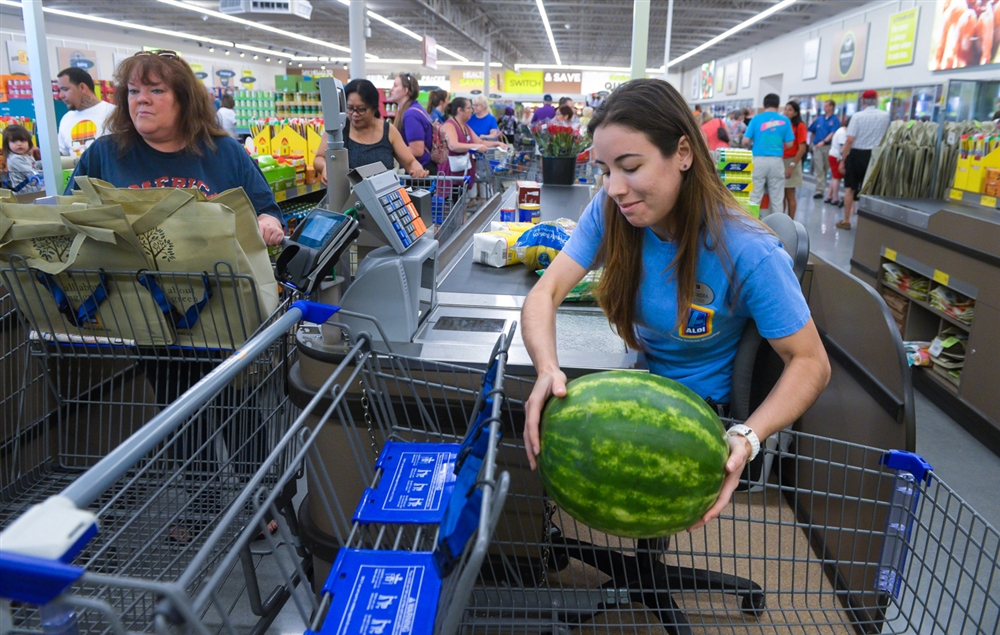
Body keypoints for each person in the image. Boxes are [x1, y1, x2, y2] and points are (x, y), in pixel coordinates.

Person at [520, 79, 830, 531]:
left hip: (699, 415)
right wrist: (547, 368)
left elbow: (810, 362)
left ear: (683, 153)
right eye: (606, 170)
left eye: (630, 166)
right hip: (640, 371)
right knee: (528, 417)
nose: (614, 188)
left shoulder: (745, 249)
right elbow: (543, 295)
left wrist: (748, 435)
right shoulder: (612, 213)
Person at [65, 50, 284, 247]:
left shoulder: (225, 151)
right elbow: (67, 218)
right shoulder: (103, 154)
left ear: (185, 100)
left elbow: (267, 211)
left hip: (216, 282)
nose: (142, 99)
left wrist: (267, 224)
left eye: (157, 90)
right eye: (133, 91)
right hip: (128, 289)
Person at [313, 79, 429, 184]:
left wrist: (418, 170)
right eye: (349, 108)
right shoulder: (338, 129)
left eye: (361, 109)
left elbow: (410, 162)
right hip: (346, 201)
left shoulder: (388, 131)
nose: (354, 114)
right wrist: (325, 167)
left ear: (373, 107)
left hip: (382, 200)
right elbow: (319, 158)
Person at [838, 89, 890, 230]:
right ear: (876, 101)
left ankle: (847, 220)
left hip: (856, 154)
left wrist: (842, 160)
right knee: (869, 190)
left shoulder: (857, 116)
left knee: (850, 189)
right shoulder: (885, 116)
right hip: (875, 156)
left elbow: (850, 140)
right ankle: (866, 223)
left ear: (863, 101)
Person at [440, 97, 505, 202]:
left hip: (462, 174)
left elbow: (480, 142)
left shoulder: (465, 127)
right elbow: (453, 145)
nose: (472, 110)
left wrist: (497, 144)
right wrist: (475, 147)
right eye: (469, 108)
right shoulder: (449, 125)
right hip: (451, 175)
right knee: (453, 209)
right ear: (460, 110)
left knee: (462, 207)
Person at [743, 94, 793, 218]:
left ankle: (751, 225)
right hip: (776, 161)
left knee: (755, 196)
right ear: (778, 105)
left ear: (764, 105)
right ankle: (778, 229)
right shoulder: (785, 120)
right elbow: (790, 144)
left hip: (759, 160)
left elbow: (745, 141)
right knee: (777, 198)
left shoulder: (756, 119)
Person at [56, 66, 115, 157]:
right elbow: (63, 154)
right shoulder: (66, 119)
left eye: (65, 89)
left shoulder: (114, 113)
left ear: (82, 87)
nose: (61, 95)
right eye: (59, 90)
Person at [389, 73, 435, 174]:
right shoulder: (415, 109)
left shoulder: (411, 115)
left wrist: (391, 151)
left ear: (405, 91)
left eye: (395, 85)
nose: (391, 89)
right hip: (421, 169)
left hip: (421, 172)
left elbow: (417, 150)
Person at [808, 100, 839, 200]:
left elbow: (832, 133)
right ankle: (819, 190)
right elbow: (812, 131)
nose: (824, 107)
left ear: (831, 107)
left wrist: (824, 142)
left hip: (827, 147)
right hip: (817, 146)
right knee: (819, 167)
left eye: (826, 105)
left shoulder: (835, 120)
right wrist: (810, 143)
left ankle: (823, 186)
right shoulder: (819, 119)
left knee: (825, 168)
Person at [782, 101, 807, 220]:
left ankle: (790, 221)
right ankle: (781, 220)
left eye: (790, 110)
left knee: (790, 194)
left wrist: (792, 166)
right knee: (780, 195)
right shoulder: (782, 124)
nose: (786, 112)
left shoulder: (799, 126)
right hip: (781, 160)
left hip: (792, 161)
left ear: (796, 113)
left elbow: (802, 148)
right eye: (785, 109)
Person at [2, 124, 44, 193]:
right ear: (7, 144)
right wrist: (49, 173)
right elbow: (32, 172)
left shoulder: (27, 154)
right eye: (14, 141)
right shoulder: (15, 159)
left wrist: (45, 162)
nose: (19, 144)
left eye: (23, 140)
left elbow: (33, 165)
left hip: (33, 189)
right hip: (24, 194)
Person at [826, 120, 848, 208]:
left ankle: (829, 196)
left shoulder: (840, 130)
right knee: (837, 178)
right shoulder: (843, 132)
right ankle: (835, 198)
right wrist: (843, 159)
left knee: (834, 177)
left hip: (833, 155)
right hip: (836, 157)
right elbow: (843, 148)